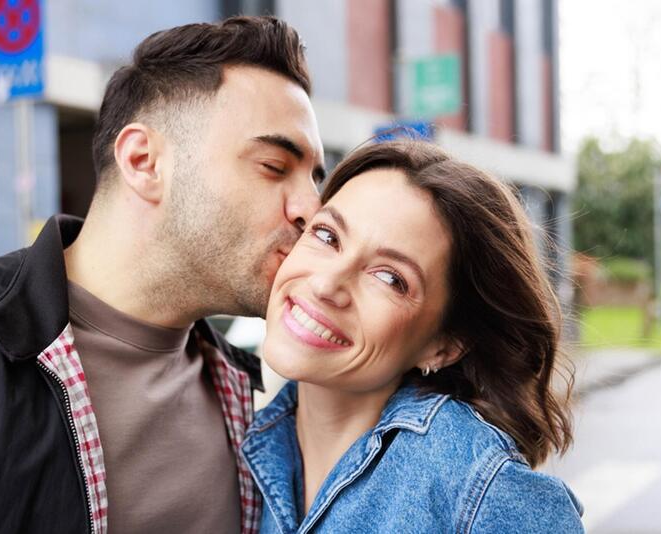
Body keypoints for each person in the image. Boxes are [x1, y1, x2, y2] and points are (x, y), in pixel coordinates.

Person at [0, 16, 325, 534]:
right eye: (275, 167)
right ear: (143, 161)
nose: (311, 208)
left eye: (315, 179)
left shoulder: (254, 395)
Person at [241, 139, 584, 533]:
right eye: (328, 236)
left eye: (391, 279)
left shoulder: (485, 493)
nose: (326, 284)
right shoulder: (242, 442)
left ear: (444, 345)